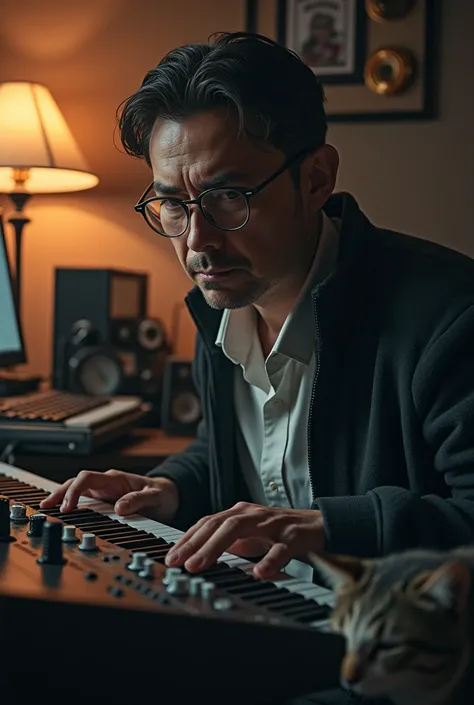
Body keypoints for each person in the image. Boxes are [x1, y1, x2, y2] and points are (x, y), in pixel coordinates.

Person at [40, 32, 474, 704]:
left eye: (228, 197)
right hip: (273, 626)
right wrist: (171, 489)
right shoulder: (218, 310)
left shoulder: (451, 316)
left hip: (391, 665)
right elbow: (236, 449)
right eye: (174, 206)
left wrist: (328, 524)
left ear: (317, 177)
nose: (197, 241)